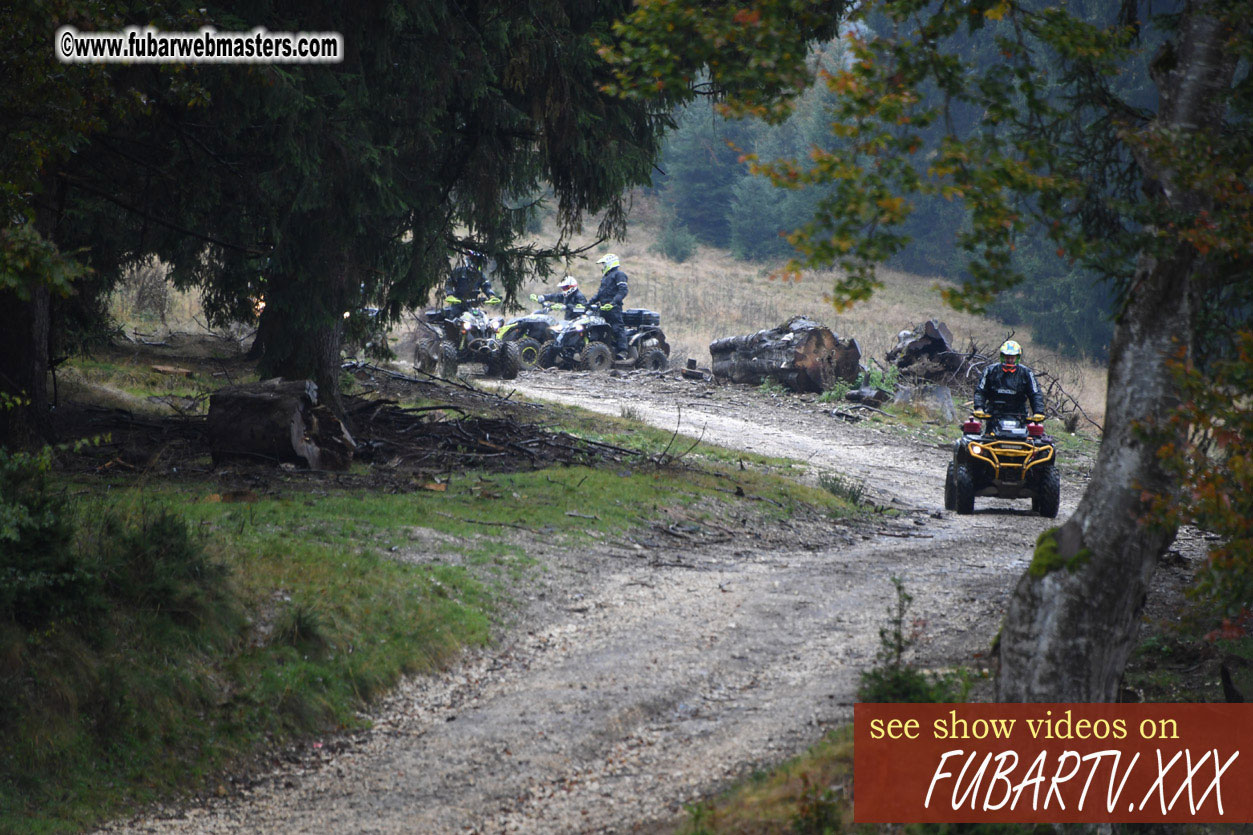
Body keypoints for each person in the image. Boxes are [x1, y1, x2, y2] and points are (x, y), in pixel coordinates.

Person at [972, 340, 1045, 422]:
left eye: (1012, 357)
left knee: (1030, 434)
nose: (1010, 360)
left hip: (1019, 415)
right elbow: (981, 391)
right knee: (988, 434)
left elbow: (1035, 393)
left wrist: (1038, 411)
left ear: (1017, 358)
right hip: (994, 414)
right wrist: (979, 408)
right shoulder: (990, 370)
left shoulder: (1026, 373)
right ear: (1002, 357)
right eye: (1007, 357)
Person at [588, 253, 629, 359]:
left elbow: (623, 291)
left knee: (617, 328)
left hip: (614, 308)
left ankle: (623, 351)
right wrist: (589, 303)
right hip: (602, 308)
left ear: (610, 263)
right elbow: (600, 293)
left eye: (604, 264)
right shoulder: (605, 277)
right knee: (597, 328)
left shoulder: (619, 274)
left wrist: (613, 303)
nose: (603, 266)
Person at [444, 250, 499, 316]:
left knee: (482, 320)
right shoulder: (459, 271)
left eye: (478, 261)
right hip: (458, 305)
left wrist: (491, 296)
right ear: (470, 260)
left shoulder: (480, 275)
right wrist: (450, 295)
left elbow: (486, 286)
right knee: (454, 320)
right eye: (475, 260)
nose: (476, 263)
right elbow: (449, 283)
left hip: (473, 306)